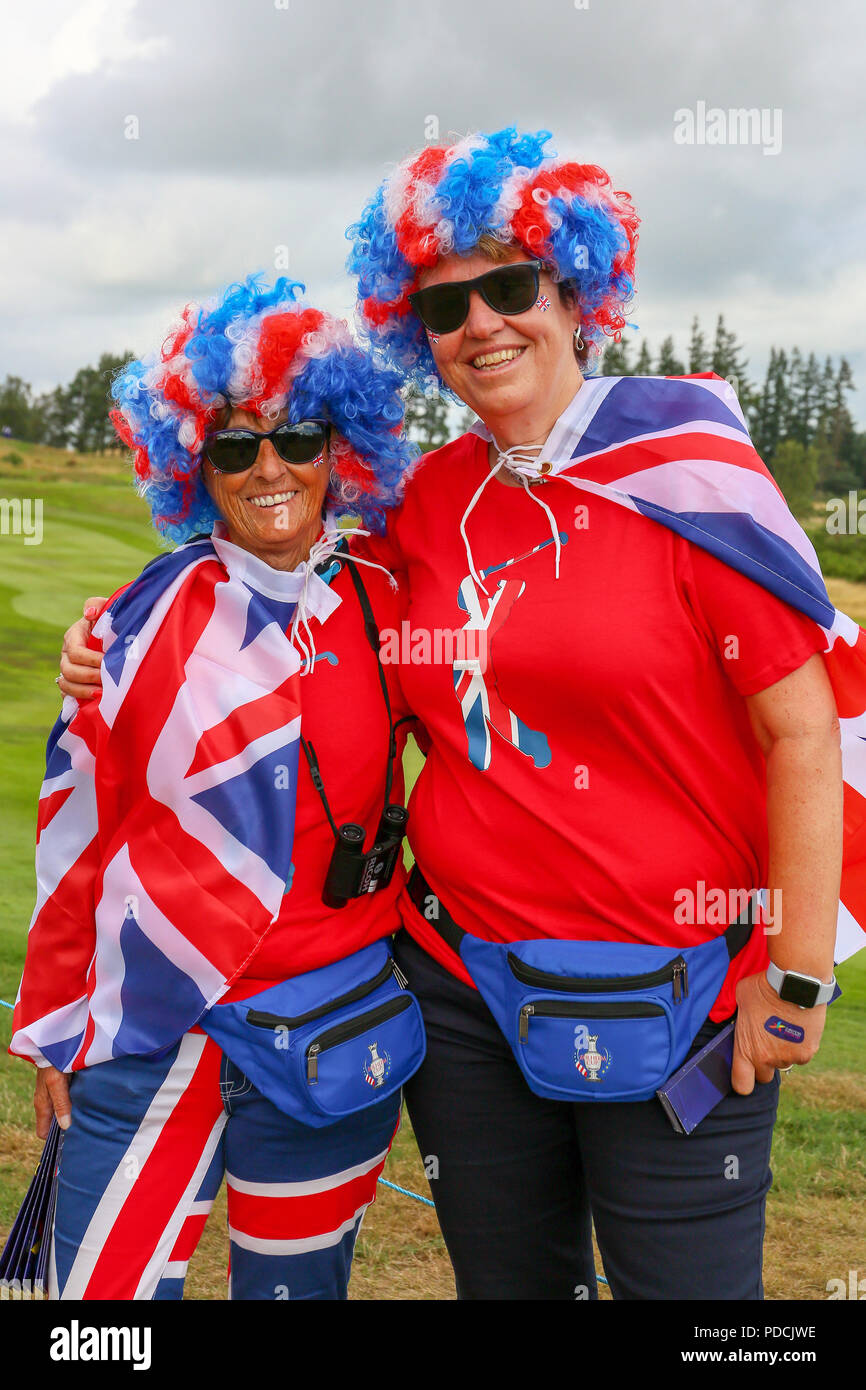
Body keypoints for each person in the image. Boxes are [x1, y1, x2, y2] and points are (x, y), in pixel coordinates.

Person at [339, 125, 851, 1299]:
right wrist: (105, 639)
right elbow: (294, 595)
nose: (480, 324)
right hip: (458, 990)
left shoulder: (687, 474)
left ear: (573, 296)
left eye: (508, 288)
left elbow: (800, 731)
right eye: (444, 306)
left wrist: (800, 971)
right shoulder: (429, 496)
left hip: (680, 1000)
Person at [11, 274, 422, 1301]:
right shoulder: (137, 622)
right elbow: (78, 826)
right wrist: (54, 1012)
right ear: (195, 466)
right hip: (149, 1037)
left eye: (298, 438)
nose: (268, 468)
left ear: (343, 449)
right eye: (234, 447)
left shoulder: (388, 608)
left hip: (330, 1031)